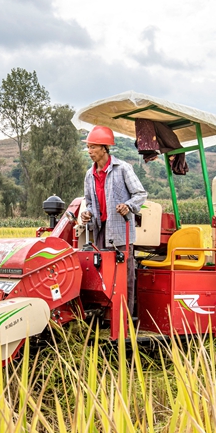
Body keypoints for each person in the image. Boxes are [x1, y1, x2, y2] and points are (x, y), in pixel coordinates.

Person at [79, 125, 147, 315]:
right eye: (89, 147)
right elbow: (90, 203)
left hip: (120, 232)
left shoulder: (123, 168)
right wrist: (88, 213)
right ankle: (107, 317)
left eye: (93, 147)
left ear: (104, 148)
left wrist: (128, 206)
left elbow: (140, 194)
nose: (89, 151)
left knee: (124, 277)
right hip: (101, 231)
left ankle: (124, 319)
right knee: (102, 276)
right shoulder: (89, 175)